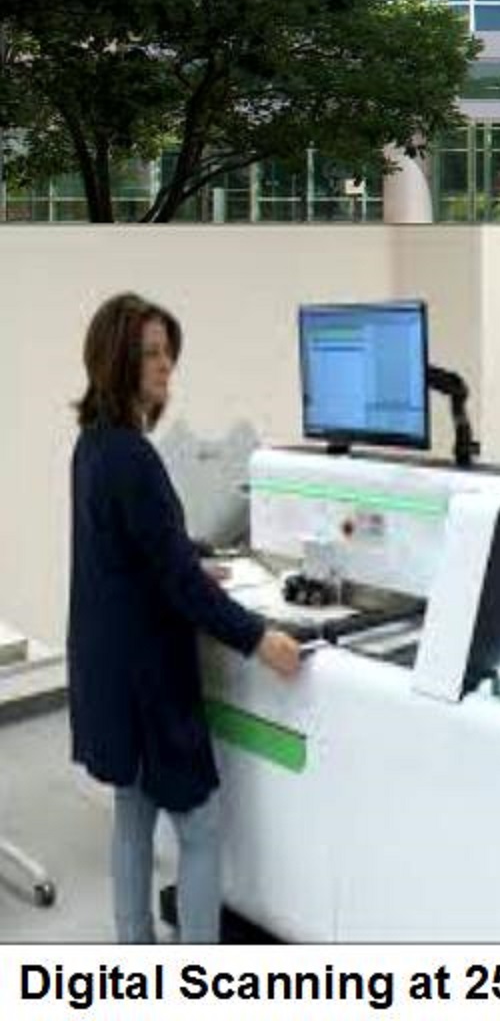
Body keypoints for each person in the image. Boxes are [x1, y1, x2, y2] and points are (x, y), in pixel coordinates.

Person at [67, 293, 302, 944]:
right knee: (199, 828)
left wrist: (190, 553)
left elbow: (134, 543)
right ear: (116, 360)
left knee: (132, 814)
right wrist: (261, 639)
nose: (165, 364)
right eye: (150, 352)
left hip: (106, 670)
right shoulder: (134, 458)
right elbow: (175, 584)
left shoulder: (95, 446)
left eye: (168, 351)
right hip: (145, 678)